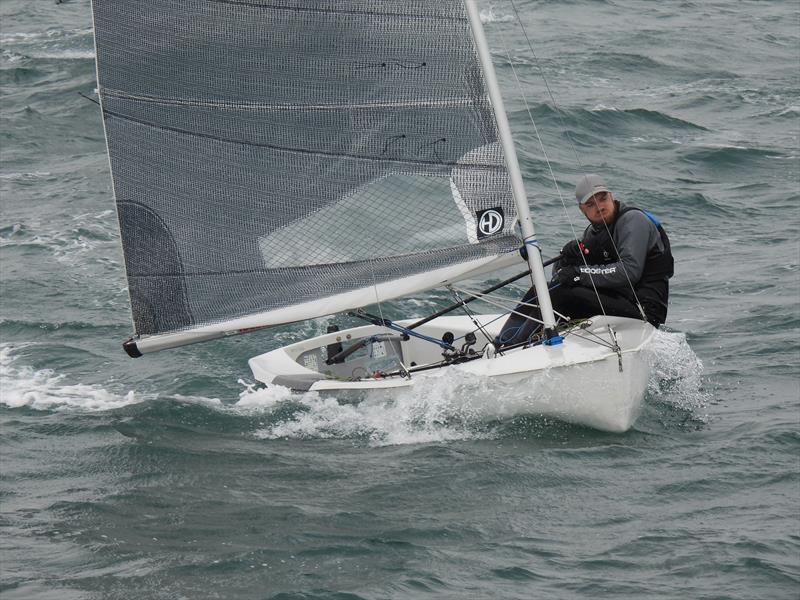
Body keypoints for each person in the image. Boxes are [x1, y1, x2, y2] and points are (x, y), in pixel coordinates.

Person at [496, 174, 674, 347]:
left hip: (643, 310)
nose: (600, 206)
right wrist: (566, 259)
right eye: (591, 204)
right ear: (582, 209)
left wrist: (579, 274)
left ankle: (512, 346)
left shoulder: (633, 221)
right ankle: (502, 342)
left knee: (562, 294)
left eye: (603, 199)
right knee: (540, 290)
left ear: (611, 197)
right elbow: (561, 277)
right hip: (618, 300)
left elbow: (629, 272)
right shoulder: (594, 232)